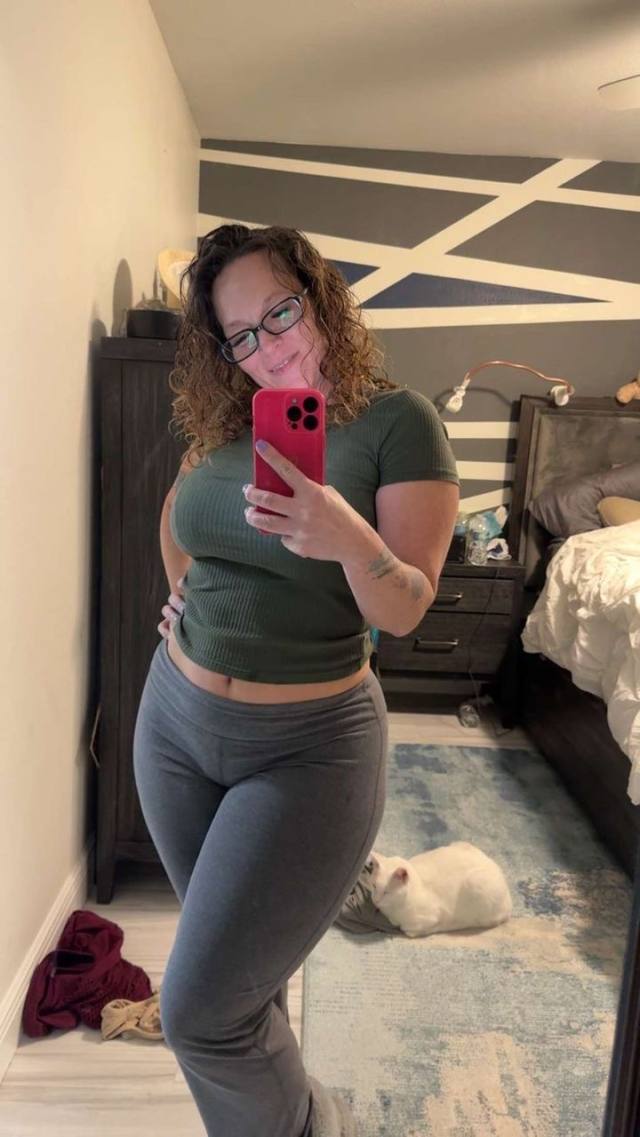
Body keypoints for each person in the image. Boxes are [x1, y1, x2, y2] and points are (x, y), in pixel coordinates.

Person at [132, 224, 459, 1137]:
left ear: (320, 298)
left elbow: (407, 605)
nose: (266, 347)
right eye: (239, 335)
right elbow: (178, 517)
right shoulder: (226, 420)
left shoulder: (399, 422)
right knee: (245, 980)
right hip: (173, 725)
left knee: (201, 1012)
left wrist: (347, 538)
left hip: (310, 750)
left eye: (279, 313)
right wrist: (182, 597)